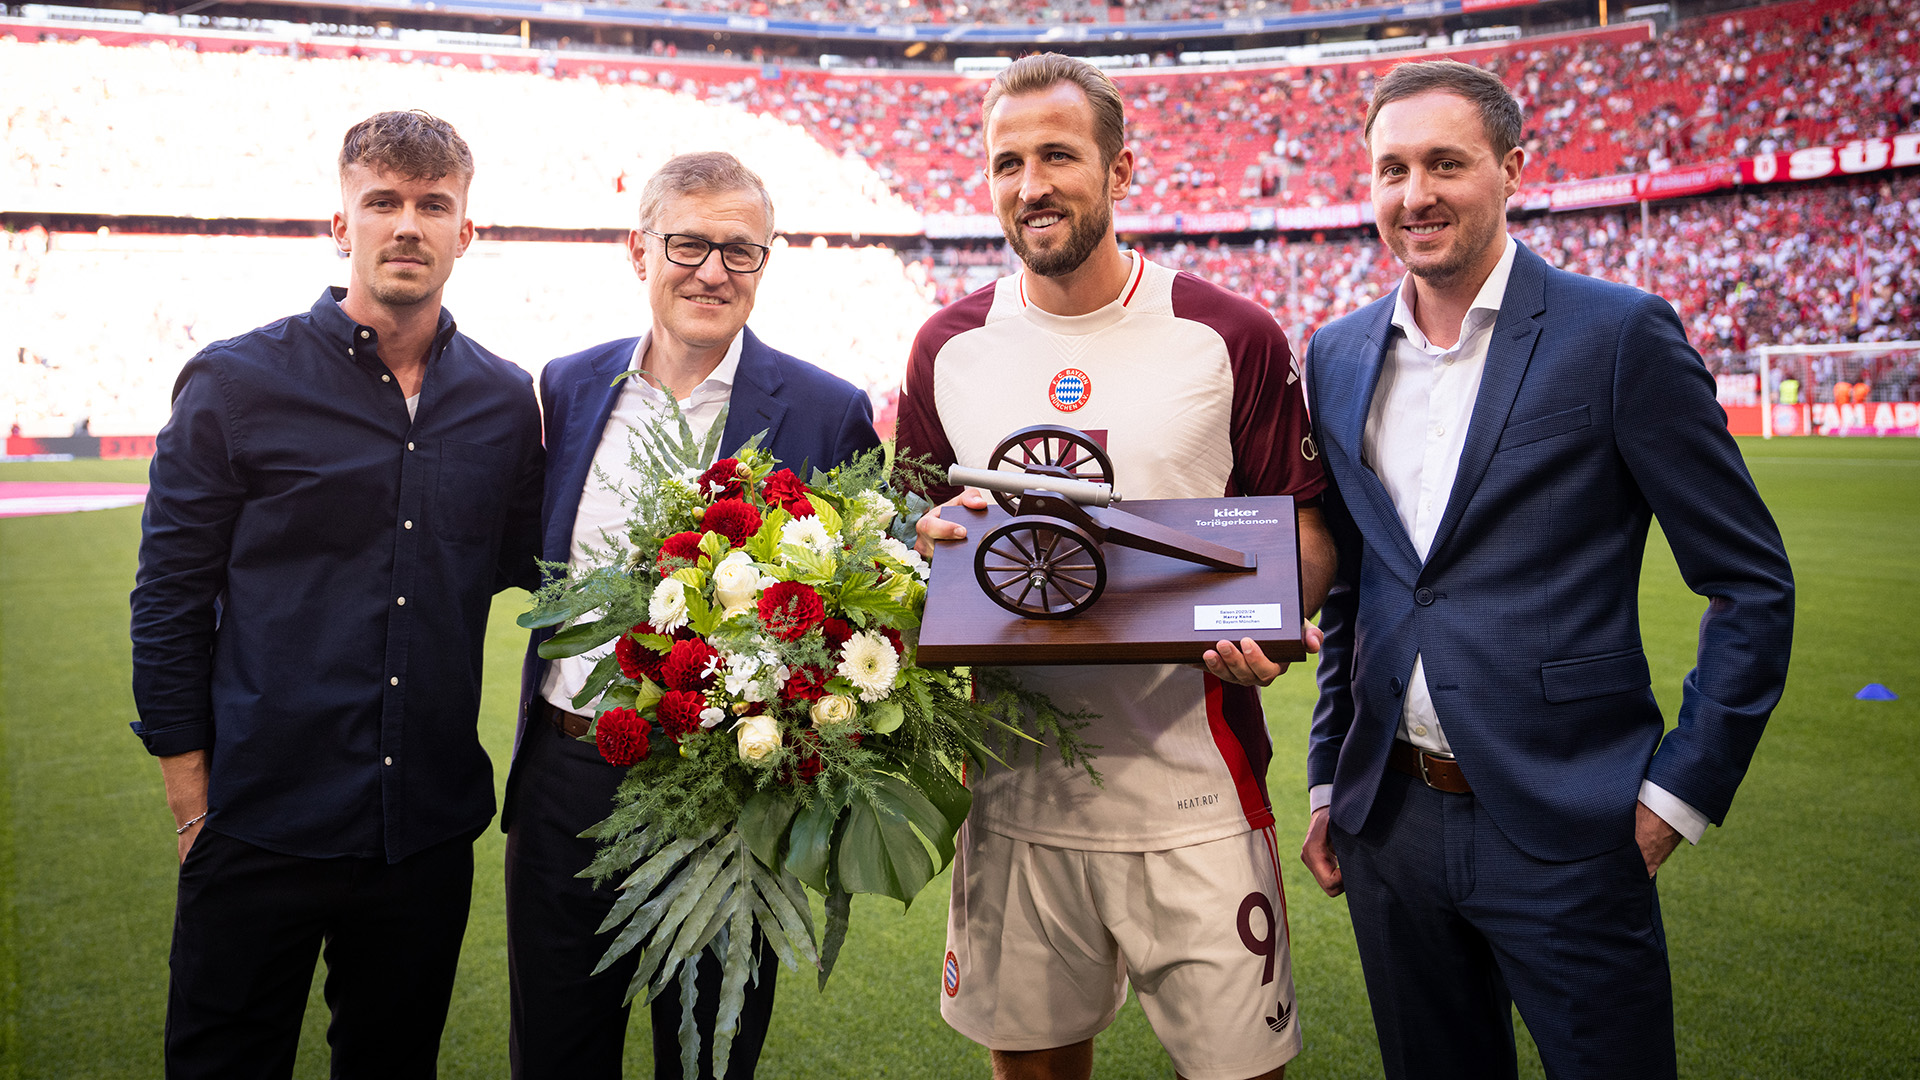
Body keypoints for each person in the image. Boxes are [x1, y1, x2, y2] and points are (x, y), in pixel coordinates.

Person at [1297, 60, 1794, 1079]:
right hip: (1389, 820)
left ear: (1512, 168)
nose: (1415, 194)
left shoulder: (1616, 335)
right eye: (1391, 169)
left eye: (1445, 163)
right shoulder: (1337, 352)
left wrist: (1677, 795)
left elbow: (1749, 582)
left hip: (1570, 824)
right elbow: (1357, 588)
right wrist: (1323, 776)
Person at [897, 53, 1336, 1080]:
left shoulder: (1227, 334)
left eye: (1059, 154)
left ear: (1121, 169)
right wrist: (918, 553)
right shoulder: (945, 348)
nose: (1032, 184)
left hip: (1197, 795)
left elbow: (1303, 532)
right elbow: (915, 538)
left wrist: (1271, 623)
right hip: (1014, 803)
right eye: (1008, 162)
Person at [129, 110, 543, 1078]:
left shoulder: (500, 397)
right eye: (384, 201)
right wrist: (192, 803)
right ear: (341, 224)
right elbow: (169, 600)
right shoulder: (236, 382)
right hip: (259, 816)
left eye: (433, 204)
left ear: (465, 232)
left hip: (425, 830)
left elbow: (551, 561)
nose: (408, 224)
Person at [503, 151, 880, 1080]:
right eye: (689, 244)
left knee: (709, 1061)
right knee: (555, 1053)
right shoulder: (570, 384)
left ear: (766, 261)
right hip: (565, 777)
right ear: (640, 251)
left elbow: (872, 607)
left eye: (739, 252)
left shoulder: (828, 411)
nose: (713, 271)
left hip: (728, 799)